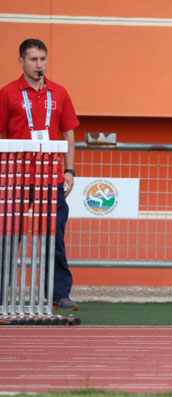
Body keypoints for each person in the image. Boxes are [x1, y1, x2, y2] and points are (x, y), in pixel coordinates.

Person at [0, 39, 78, 310]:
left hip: (51, 177)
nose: (39, 64)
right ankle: (1, 293)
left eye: (43, 59)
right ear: (21, 62)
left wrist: (69, 169)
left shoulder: (59, 92)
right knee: (8, 235)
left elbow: (68, 132)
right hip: (16, 178)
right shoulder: (8, 93)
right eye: (33, 59)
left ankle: (58, 293)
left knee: (54, 235)